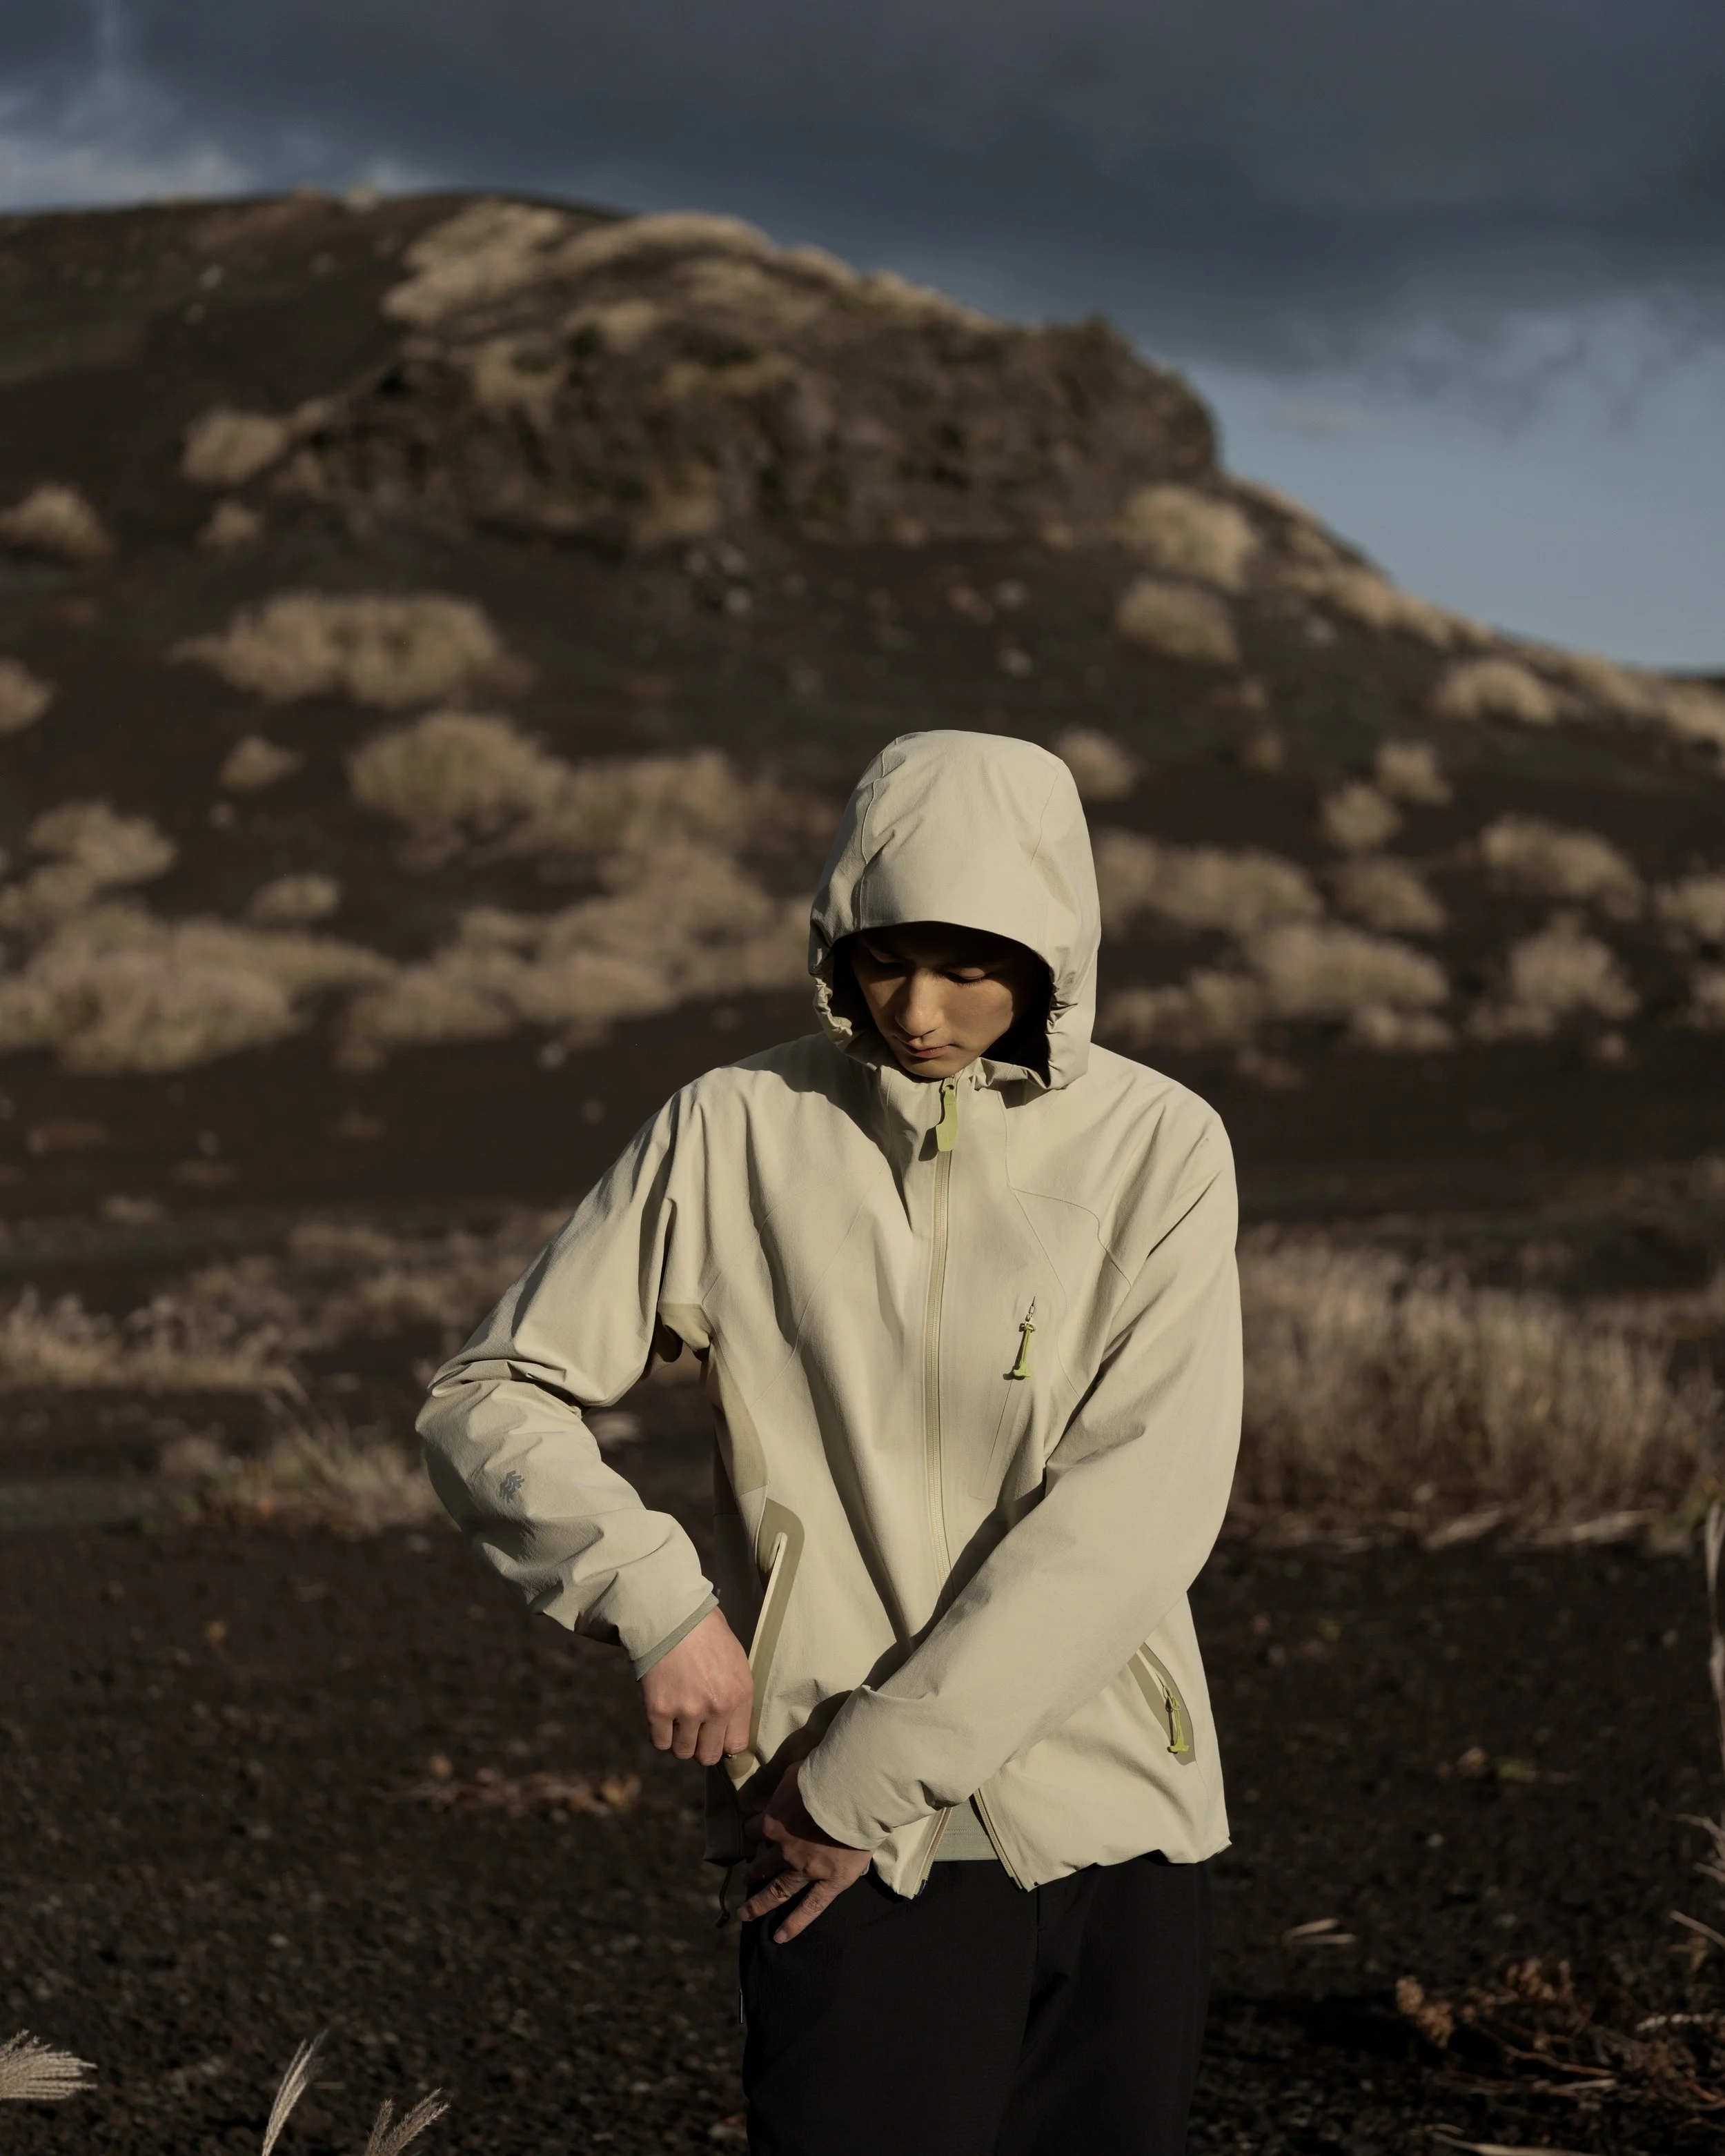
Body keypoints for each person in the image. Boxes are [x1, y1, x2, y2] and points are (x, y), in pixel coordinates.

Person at [418, 729, 1242, 2155]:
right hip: (842, 1850)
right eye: (882, 960)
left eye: (968, 967)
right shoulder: (735, 1129)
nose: (917, 1010)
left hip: (1111, 1824)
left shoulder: (1159, 1146)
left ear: (1052, 949)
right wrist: (653, 1598)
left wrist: (871, 1774)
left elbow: (1134, 1511)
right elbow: (489, 1393)